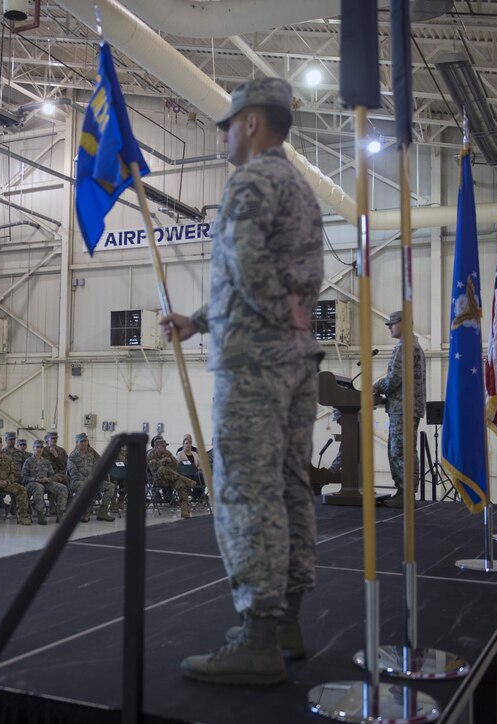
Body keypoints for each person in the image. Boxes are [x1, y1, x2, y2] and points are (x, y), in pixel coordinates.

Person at [161, 77, 324, 685]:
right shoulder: (301, 190)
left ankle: (256, 635)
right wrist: (197, 320)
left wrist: (272, 317)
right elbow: (281, 276)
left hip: (255, 362)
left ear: (252, 123)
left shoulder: (251, 180)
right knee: (287, 487)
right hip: (296, 360)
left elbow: (243, 262)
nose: (225, 135)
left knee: (245, 490)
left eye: (228, 124)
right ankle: (286, 622)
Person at [374, 310, 426, 507]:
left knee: (400, 451)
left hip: (403, 407)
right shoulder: (413, 346)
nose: (388, 327)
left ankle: (405, 494)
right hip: (405, 406)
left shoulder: (405, 347)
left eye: (392, 323)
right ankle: (404, 492)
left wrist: (375, 387)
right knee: (403, 449)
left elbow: (394, 379)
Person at [66, 432, 112, 522]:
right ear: (77, 443)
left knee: (110, 486)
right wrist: (88, 480)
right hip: (77, 482)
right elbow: (74, 474)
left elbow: (97, 468)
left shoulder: (90, 456)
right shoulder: (72, 457)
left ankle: (103, 513)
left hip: (91, 481)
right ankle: (84, 513)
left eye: (85, 441)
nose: (84, 443)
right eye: (81, 441)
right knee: (85, 486)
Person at [21, 439, 68, 524]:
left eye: (41, 447)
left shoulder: (46, 462)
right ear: (33, 448)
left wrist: (48, 479)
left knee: (63, 488)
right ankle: (40, 515)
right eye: (37, 447)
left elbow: (52, 475)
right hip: (32, 484)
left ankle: (60, 514)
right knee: (39, 487)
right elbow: (24, 477)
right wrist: (36, 479)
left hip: (45, 482)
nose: (39, 449)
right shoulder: (28, 461)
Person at [149, 436, 195, 519]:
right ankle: (185, 479)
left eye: (165, 446)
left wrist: (170, 461)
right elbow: (154, 469)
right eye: (163, 446)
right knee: (163, 469)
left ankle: (184, 510)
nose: (165, 448)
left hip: (171, 477)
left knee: (181, 485)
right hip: (158, 479)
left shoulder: (168, 453)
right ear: (156, 447)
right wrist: (163, 461)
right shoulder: (151, 454)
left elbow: (176, 465)